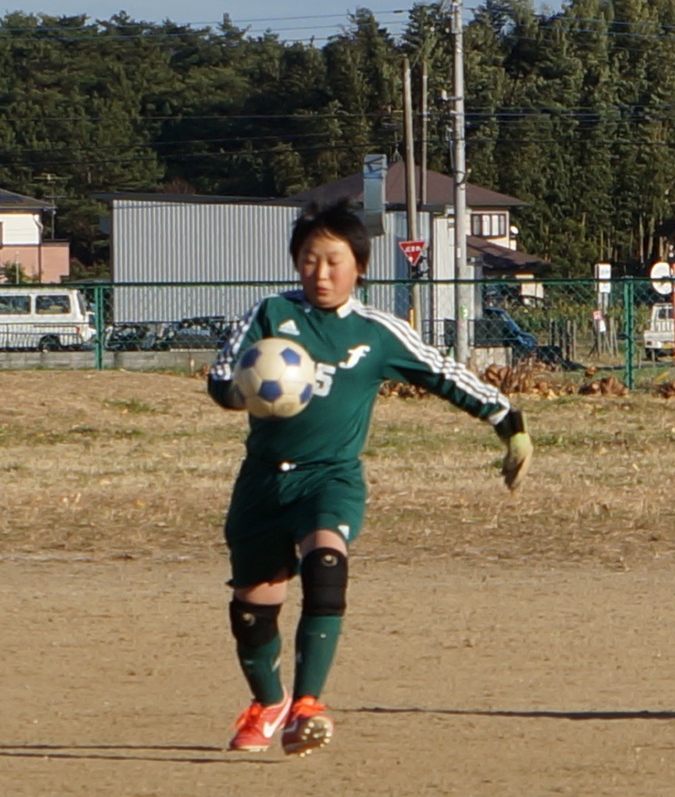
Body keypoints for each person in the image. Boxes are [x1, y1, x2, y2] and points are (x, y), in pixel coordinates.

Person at [207, 198, 533, 757]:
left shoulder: (376, 332)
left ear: (358, 267)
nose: (321, 273)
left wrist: (510, 424)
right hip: (262, 482)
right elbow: (221, 375)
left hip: (330, 478)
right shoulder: (269, 314)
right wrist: (239, 390)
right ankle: (269, 703)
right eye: (309, 260)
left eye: (334, 261)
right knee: (253, 610)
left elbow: (443, 373)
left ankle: (307, 706)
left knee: (326, 564)